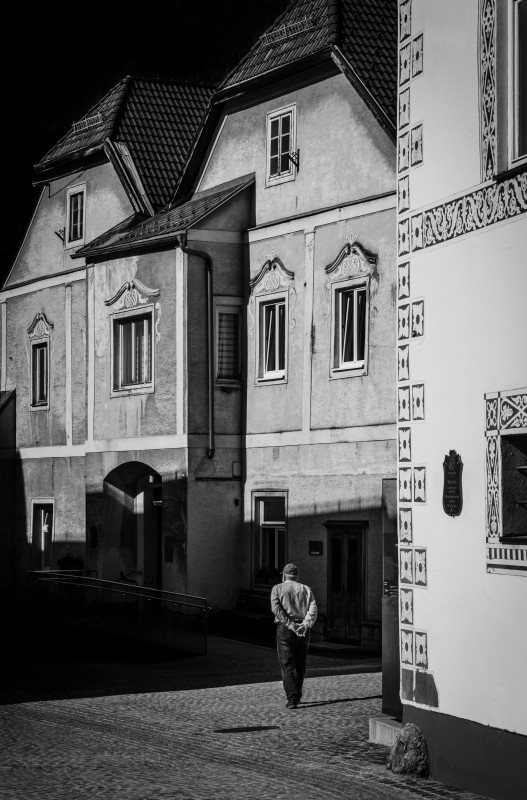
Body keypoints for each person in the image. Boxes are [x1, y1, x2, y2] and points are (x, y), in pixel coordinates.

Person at [270, 563, 317, 709]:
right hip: (303, 629)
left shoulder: (277, 588)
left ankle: (292, 698)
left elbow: (276, 609)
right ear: (297, 576)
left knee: (287, 664)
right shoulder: (306, 589)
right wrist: (305, 625)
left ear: (284, 575)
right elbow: (313, 608)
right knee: (300, 663)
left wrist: (291, 625)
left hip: (285, 629)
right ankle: (297, 696)